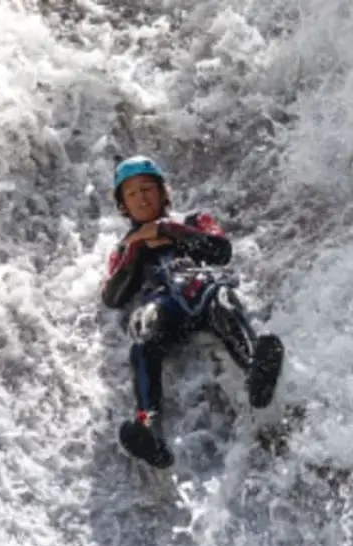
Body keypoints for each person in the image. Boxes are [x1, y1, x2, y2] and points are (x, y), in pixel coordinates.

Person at [102, 155, 284, 468]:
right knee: (143, 333)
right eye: (132, 194)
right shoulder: (125, 247)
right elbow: (113, 296)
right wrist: (138, 246)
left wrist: (169, 231)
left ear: (162, 192)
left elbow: (220, 251)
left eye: (147, 189)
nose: (141, 198)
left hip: (203, 291)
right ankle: (148, 425)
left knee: (222, 299)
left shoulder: (192, 221)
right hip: (164, 306)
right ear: (123, 207)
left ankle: (257, 368)